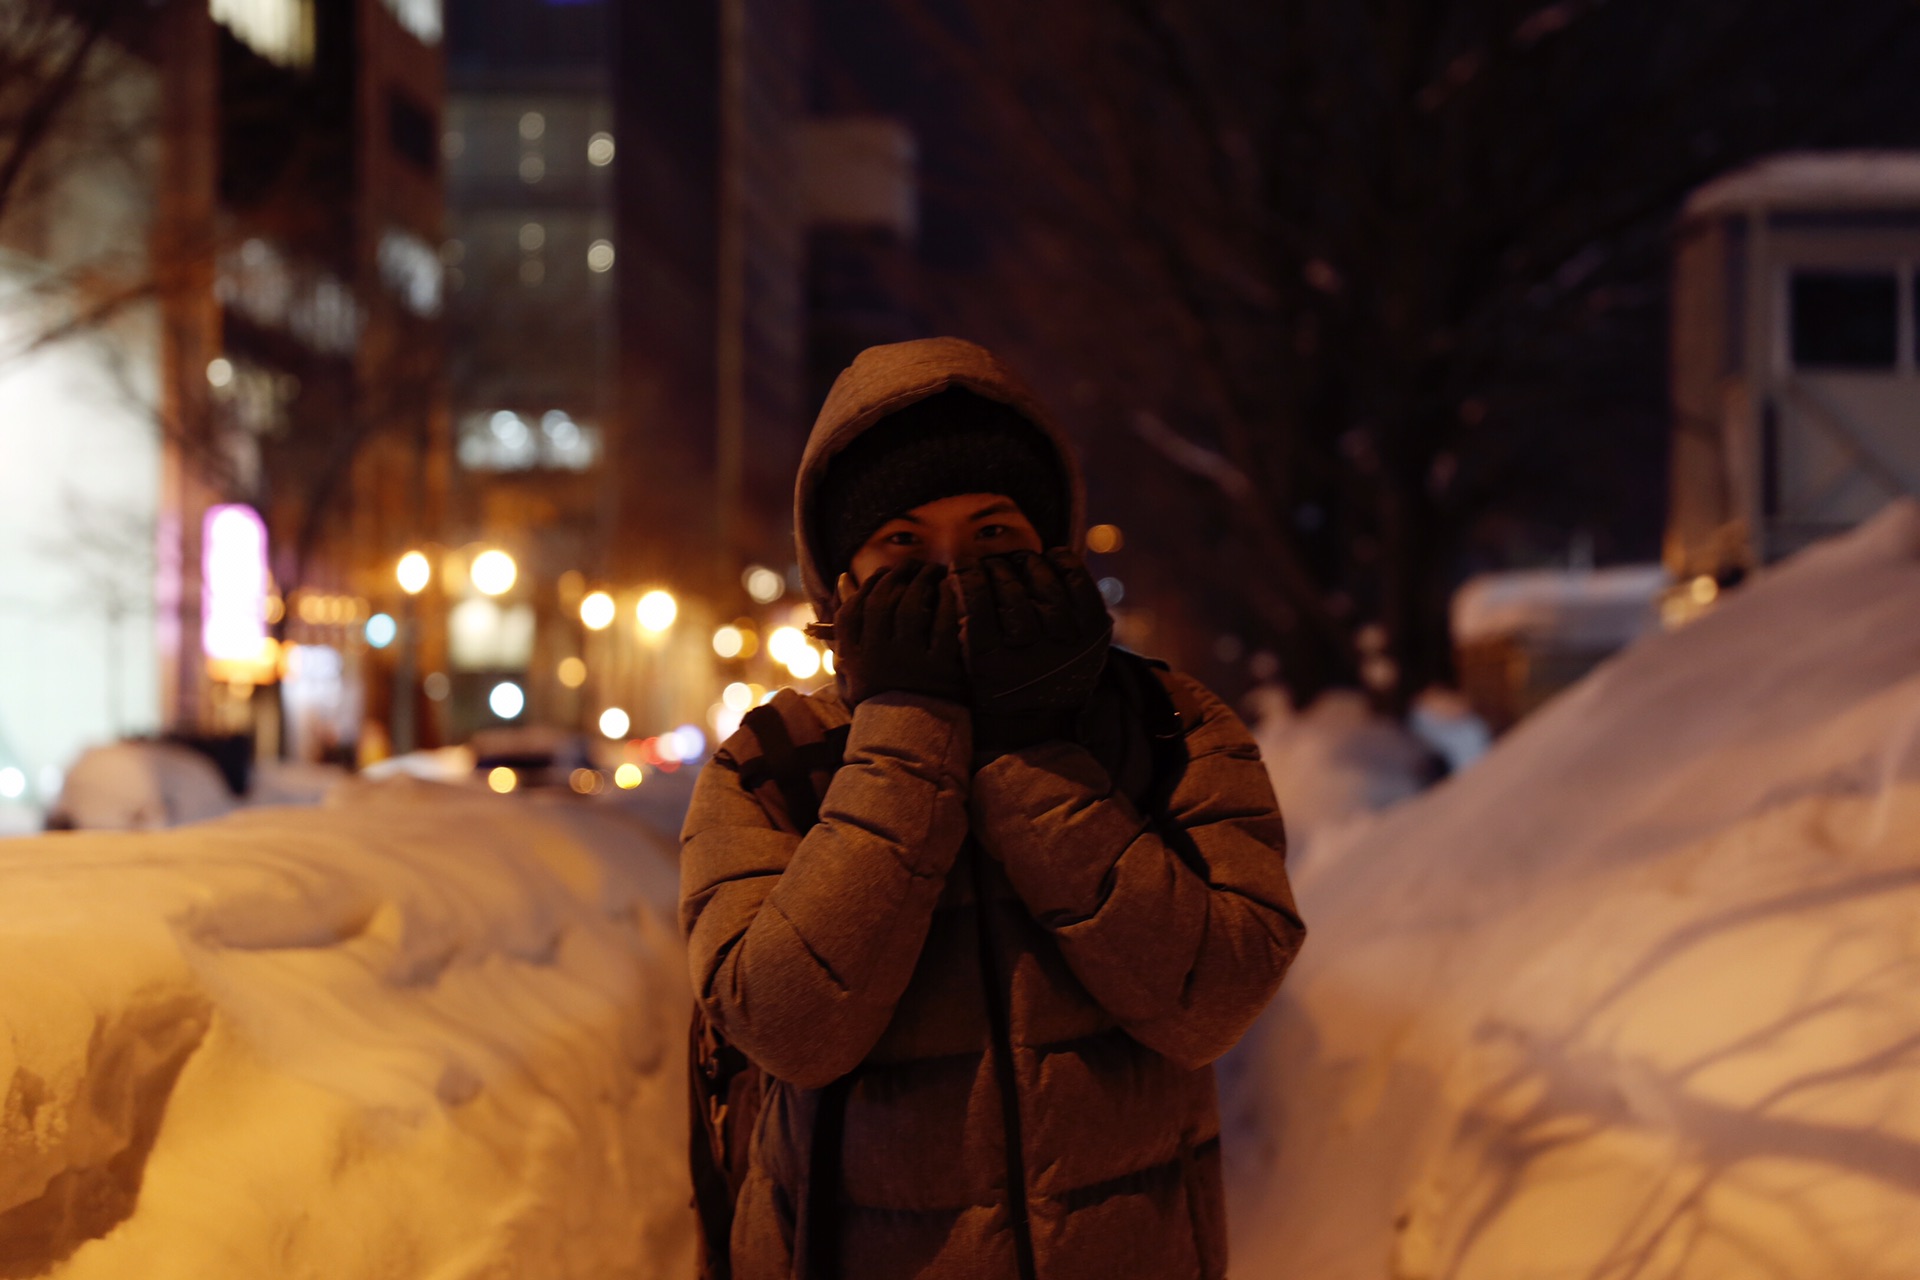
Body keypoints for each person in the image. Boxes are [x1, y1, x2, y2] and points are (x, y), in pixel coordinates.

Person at [680, 336, 1305, 1280]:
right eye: (903, 543)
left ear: (1049, 545)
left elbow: (1214, 998)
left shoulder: (1168, 725)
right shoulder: (774, 763)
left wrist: (1028, 756)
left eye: (994, 535)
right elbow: (788, 1025)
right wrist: (908, 734)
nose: (954, 574)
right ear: (842, 573)